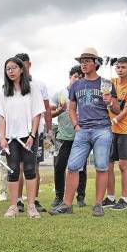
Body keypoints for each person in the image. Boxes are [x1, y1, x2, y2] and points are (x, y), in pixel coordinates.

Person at [51, 47, 120, 217]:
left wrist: (110, 101)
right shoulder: (76, 85)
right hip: (82, 130)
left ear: (95, 63)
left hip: (102, 129)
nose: (83, 64)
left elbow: (118, 109)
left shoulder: (106, 84)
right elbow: (72, 108)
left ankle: (98, 204)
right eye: (81, 61)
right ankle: (67, 204)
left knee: (102, 167)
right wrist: (76, 125)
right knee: (73, 166)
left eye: (87, 61)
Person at [0, 57, 45, 218]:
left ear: (21, 69)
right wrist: (2, 137)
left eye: (13, 68)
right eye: (8, 69)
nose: (10, 71)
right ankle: (13, 206)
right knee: (13, 171)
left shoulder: (32, 89)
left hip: (28, 136)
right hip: (11, 138)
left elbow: (37, 113)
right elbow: (1, 116)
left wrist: (32, 134)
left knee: (30, 170)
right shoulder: (3, 91)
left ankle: (31, 206)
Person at [13, 53, 52, 213]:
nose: (21, 67)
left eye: (23, 64)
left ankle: (34, 199)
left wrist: (50, 129)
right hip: (18, 131)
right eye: (17, 65)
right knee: (19, 166)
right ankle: (19, 200)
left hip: (37, 131)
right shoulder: (12, 85)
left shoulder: (39, 85)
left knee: (34, 166)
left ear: (29, 64)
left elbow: (46, 108)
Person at [49, 65, 87, 209]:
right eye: (75, 76)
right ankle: (59, 196)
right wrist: (59, 110)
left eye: (81, 77)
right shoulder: (60, 94)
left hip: (80, 136)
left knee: (80, 168)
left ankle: (80, 196)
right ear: (70, 77)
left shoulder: (85, 93)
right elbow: (49, 113)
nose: (78, 79)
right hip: (63, 137)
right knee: (59, 167)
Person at [103, 57, 127, 210]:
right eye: (118, 67)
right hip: (109, 131)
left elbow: (126, 110)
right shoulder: (110, 82)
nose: (120, 69)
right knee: (108, 166)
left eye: (123, 67)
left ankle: (124, 199)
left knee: (123, 165)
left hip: (124, 130)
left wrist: (115, 120)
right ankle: (110, 198)